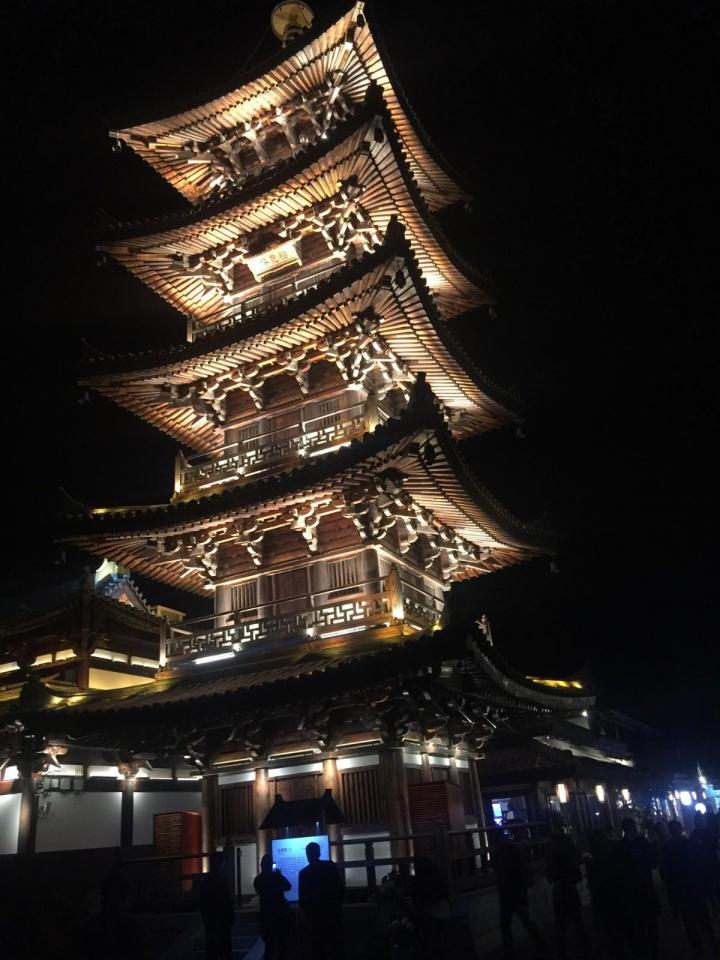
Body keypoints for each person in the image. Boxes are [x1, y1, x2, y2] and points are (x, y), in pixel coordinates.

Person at [490, 832, 546, 960]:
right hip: (515, 891)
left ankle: (510, 952)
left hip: (509, 892)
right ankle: (540, 944)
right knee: (524, 920)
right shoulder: (512, 851)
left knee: (507, 924)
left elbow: (500, 871)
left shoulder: (500, 853)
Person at [615, 818, 659, 960]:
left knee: (649, 923)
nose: (633, 830)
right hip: (633, 891)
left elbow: (653, 862)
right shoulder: (622, 847)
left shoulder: (638, 843)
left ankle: (652, 950)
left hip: (642, 888)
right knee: (640, 924)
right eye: (631, 827)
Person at [586, 830, 633, 958]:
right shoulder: (611, 859)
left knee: (615, 939)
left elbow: (593, 886)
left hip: (610, 904)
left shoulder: (597, 862)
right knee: (620, 938)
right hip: (615, 903)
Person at [546, 832, 590, 959]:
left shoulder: (553, 858)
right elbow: (578, 876)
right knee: (577, 923)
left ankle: (562, 952)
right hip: (570, 891)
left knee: (561, 926)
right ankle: (585, 950)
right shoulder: (569, 856)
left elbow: (550, 877)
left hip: (560, 892)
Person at [298, 841, 345, 960]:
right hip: (332, 914)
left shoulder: (304, 873)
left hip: (315, 917)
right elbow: (340, 888)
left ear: (308, 855)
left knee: (318, 950)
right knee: (335, 948)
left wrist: (307, 915)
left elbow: (303, 898)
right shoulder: (330, 866)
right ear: (318, 853)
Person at [254, 854, 292, 960]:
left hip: (266, 915)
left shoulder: (258, 880)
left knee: (269, 946)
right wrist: (279, 875)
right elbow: (288, 886)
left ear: (262, 865)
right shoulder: (276, 877)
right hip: (280, 915)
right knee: (282, 945)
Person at [198, 851, 235, 960]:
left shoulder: (205, 882)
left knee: (212, 951)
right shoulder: (221, 881)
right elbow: (227, 901)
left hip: (211, 921)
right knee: (224, 950)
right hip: (222, 921)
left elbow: (202, 903)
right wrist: (231, 916)